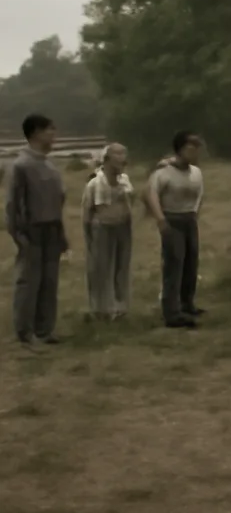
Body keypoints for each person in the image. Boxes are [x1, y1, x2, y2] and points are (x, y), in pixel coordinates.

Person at [4, 113, 69, 349]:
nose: (54, 135)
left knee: (49, 282)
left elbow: (58, 201)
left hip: (52, 229)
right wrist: (18, 234)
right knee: (29, 282)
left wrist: (61, 232)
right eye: (50, 130)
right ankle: (25, 332)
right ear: (36, 133)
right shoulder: (21, 165)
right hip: (31, 230)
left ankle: (45, 329)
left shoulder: (51, 165)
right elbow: (13, 204)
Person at [144, 131, 205, 329]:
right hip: (171, 218)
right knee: (174, 264)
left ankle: (187, 303)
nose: (194, 152)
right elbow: (151, 194)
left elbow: (200, 193)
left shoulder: (196, 172)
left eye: (197, 148)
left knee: (191, 262)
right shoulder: (163, 173)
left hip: (189, 218)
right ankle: (171, 312)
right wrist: (160, 219)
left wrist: (195, 212)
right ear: (179, 149)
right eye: (190, 148)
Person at [82, 143, 134, 320]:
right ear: (107, 159)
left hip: (123, 227)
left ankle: (120, 307)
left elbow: (130, 202)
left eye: (124, 153)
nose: (122, 158)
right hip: (102, 228)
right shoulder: (95, 183)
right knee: (100, 269)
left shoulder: (125, 180)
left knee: (121, 266)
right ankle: (101, 309)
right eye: (117, 154)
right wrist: (89, 235)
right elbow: (87, 213)